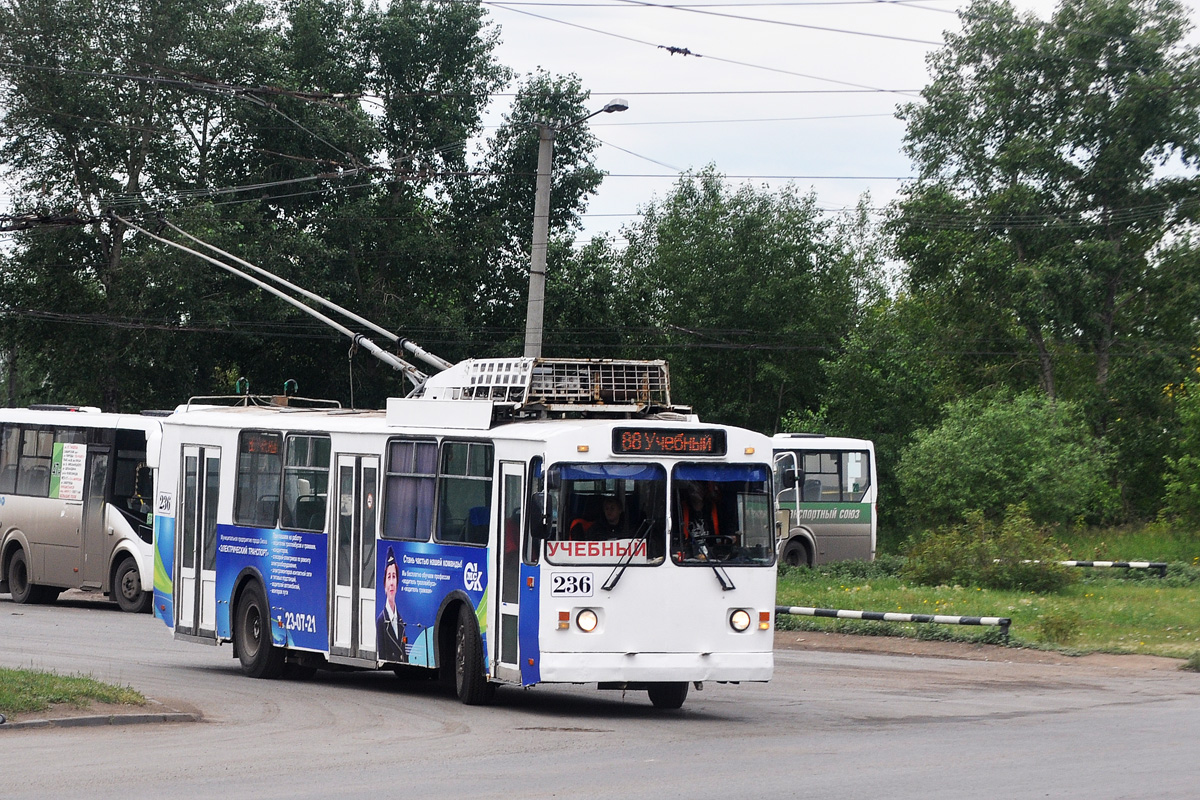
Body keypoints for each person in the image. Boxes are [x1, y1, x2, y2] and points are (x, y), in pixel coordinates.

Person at [376, 547, 407, 663]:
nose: (392, 582)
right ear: (385, 585)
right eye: (389, 577)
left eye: (394, 576)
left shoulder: (401, 620)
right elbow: (383, 656)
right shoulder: (381, 621)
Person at [679, 481, 720, 560]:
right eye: (692, 490)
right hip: (688, 552)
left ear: (704, 491)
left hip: (712, 552)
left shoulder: (713, 508)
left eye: (698, 489)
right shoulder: (682, 509)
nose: (695, 492)